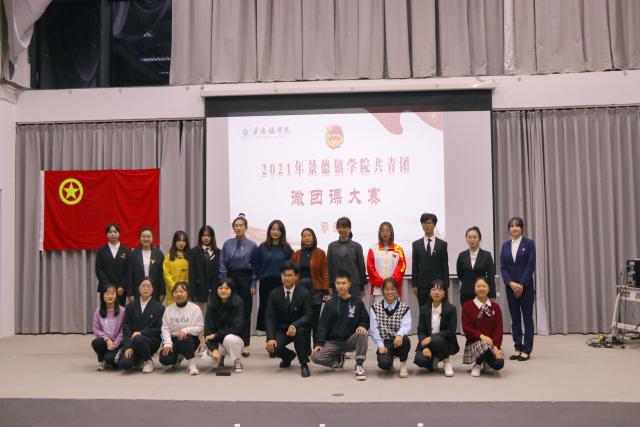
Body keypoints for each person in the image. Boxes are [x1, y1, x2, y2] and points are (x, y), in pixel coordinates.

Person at [311, 270, 370, 381]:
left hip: (350, 340)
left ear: (349, 284)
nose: (341, 286)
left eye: (344, 283)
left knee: (363, 333)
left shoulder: (357, 302)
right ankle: (337, 361)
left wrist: (362, 325)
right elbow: (322, 326)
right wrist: (319, 343)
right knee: (315, 356)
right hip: (333, 342)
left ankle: (359, 366)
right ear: (335, 284)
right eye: (338, 283)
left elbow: (365, 320)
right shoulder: (330, 304)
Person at [265, 261, 312, 377]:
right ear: (281, 276)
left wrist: (295, 325)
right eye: (284, 275)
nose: (287, 278)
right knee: (272, 348)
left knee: (301, 331)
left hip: (299, 328)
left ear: (296, 276)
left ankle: (304, 364)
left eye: (290, 275)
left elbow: (308, 315)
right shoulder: (274, 293)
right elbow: (269, 317)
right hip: (281, 329)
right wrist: (270, 338)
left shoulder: (304, 293)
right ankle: (288, 356)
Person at [219, 214, 258, 357]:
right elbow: (222, 263)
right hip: (230, 279)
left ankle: (245, 344)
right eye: (236, 226)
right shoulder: (227, 244)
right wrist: (224, 281)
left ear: (246, 227)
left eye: (241, 225)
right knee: (229, 310)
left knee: (246, 311)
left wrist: (253, 283)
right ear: (233, 228)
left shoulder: (252, 245)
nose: (238, 228)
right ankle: (229, 342)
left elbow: (255, 267)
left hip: (246, 279)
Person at [499, 216, 536, 361]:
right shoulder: (505, 245)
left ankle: (527, 349)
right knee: (515, 319)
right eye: (512, 226)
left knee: (527, 319)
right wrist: (510, 283)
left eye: (517, 225)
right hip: (510, 288)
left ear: (522, 228)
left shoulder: (529, 243)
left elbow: (530, 265)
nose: (514, 228)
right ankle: (518, 347)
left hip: (526, 287)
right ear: (509, 229)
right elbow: (503, 267)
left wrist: (520, 284)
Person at [253, 220, 294, 333]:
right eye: (273, 229)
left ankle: (279, 333)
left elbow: (291, 266)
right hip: (266, 282)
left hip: (282, 282)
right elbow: (256, 265)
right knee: (266, 307)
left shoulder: (287, 248)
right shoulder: (262, 247)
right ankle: (268, 333)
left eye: (278, 230)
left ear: (282, 232)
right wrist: (254, 281)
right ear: (269, 231)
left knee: (281, 307)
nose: (275, 232)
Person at [291, 228, 330, 346]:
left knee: (315, 320)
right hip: (300, 290)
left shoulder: (320, 253)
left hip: (315, 290)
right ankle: (305, 348)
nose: (307, 238)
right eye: (304, 236)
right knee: (303, 319)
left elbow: (324, 273)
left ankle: (317, 346)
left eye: (309, 235)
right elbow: (292, 271)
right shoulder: (297, 254)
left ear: (313, 238)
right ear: (302, 238)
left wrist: (325, 291)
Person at [413, 280, 459, 377]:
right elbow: (421, 330)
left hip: (445, 342)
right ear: (430, 293)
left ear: (444, 293)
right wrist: (425, 347)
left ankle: (447, 363)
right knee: (420, 360)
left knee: (437, 340)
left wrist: (431, 338)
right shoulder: (424, 309)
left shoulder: (451, 309)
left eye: (440, 290)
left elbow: (450, 331)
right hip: (428, 342)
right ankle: (435, 358)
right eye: (434, 290)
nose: (436, 293)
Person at [118, 278, 165, 373]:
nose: (146, 289)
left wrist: (141, 333)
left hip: (150, 341)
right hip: (132, 341)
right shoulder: (130, 306)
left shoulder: (159, 307)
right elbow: (126, 327)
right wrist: (128, 346)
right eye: (143, 286)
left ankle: (148, 360)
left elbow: (158, 329)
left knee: (138, 339)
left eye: (148, 286)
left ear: (153, 289)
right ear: (138, 288)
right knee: (124, 364)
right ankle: (140, 358)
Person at [461, 277, 504, 377]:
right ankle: (478, 364)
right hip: (474, 343)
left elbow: (498, 329)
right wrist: (481, 336)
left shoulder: (495, 307)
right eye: (478, 286)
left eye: (484, 286)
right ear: (474, 288)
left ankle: (486, 360)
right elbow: (466, 329)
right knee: (485, 345)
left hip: (491, 344)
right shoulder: (467, 306)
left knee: (499, 364)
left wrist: (496, 346)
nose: (481, 289)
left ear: (489, 288)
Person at [369, 278, 411, 378]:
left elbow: (406, 325)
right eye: (387, 289)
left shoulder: (404, 307)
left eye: (393, 289)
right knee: (384, 364)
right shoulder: (375, 307)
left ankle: (403, 365)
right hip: (385, 342)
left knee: (405, 340)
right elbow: (374, 329)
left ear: (397, 290)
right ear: (382, 290)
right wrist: (380, 345)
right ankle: (389, 361)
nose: (390, 292)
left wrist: (399, 335)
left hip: (398, 341)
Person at [159, 282, 204, 375]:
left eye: (181, 291)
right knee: (165, 359)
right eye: (175, 292)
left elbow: (200, 327)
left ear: (187, 293)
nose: (178, 294)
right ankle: (179, 357)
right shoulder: (168, 309)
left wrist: (186, 330)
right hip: (173, 340)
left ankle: (192, 365)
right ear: (172, 294)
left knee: (185, 338)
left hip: (190, 340)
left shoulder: (195, 308)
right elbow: (165, 328)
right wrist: (167, 343)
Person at [204, 279, 245, 374]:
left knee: (229, 339)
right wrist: (214, 349)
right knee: (209, 356)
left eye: (227, 288)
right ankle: (221, 357)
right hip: (218, 341)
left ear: (232, 290)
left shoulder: (238, 302)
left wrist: (216, 335)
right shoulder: (212, 304)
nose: (223, 290)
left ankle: (237, 361)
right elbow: (208, 330)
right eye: (220, 288)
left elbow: (236, 328)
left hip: (235, 339)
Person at [411, 213, 449, 307]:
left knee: (439, 310)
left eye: (429, 223)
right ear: (422, 225)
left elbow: (445, 265)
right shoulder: (416, 244)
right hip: (422, 286)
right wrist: (414, 284)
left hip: (438, 286)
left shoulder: (442, 244)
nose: (427, 225)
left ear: (434, 225)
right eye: (424, 223)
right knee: (423, 310)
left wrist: (446, 285)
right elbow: (414, 265)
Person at [367, 222, 406, 303]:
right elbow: (370, 268)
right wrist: (381, 283)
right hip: (378, 289)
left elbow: (401, 267)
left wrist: (391, 283)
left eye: (387, 231)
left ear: (391, 232)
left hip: (394, 289)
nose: (385, 233)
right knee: (379, 310)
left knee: (395, 310)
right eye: (383, 231)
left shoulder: (398, 249)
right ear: (379, 233)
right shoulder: (373, 249)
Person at [327, 217, 367, 298]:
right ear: (337, 229)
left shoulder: (357, 246)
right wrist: (330, 285)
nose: (342, 230)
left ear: (349, 229)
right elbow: (329, 267)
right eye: (339, 227)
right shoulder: (331, 246)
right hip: (337, 285)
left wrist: (361, 286)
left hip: (354, 286)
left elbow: (361, 268)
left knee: (354, 306)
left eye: (344, 227)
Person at [456, 226, 496, 307]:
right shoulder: (462, 255)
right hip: (466, 293)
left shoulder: (487, 255)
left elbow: (491, 276)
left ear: (479, 239)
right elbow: (460, 274)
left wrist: (492, 294)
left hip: (482, 292)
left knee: (483, 314)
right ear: (466, 239)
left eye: (474, 237)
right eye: (469, 237)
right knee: (467, 314)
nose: (472, 240)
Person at [91, 284, 125, 370]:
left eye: (113, 293)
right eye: (107, 293)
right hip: (106, 342)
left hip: (118, 343)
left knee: (111, 360)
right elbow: (96, 329)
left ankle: (108, 359)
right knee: (96, 342)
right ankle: (102, 361)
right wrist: (107, 340)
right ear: (103, 296)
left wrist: (115, 343)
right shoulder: (98, 311)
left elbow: (123, 330)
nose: (110, 296)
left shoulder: (122, 311)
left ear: (116, 296)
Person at [95, 223, 130, 306]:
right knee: (105, 311)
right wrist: (108, 287)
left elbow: (128, 270)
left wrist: (122, 286)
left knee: (120, 311)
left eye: (115, 232)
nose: (113, 234)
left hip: (120, 290)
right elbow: (98, 269)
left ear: (119, 234)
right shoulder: (101, 251)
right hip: (105, 289)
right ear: (106, 234)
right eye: (110, 232)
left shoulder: (126, 250)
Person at [129, 227, 165, 302]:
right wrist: (130, 293)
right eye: (144, 236)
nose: (146, 239)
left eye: (149, 237)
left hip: (155, 290)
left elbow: (162, 275)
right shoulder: (133, 254)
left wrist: (162, 292)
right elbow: (130, 275)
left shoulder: (159, 254)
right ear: (140, 238)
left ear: (152, 238)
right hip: (137, 290)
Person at [190, 225, 220, 310]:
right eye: (203, 236)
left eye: (208, 236)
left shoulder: (218, 252)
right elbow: (192, 273)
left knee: (212, 315)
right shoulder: (194, 251)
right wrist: (192, 293)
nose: (206, 238)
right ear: (200, 237)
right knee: (199, 315)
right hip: (199, 290)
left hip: (214, 290)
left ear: (212, 237)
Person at [163, 230, 190, 306]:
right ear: (174, 242)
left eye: (184, 241)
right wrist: (175, 288)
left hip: (187, 291)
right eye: (179, 240)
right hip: (173, 292)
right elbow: (166, 275)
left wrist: (186, 288)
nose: (181, 243)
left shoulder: (190, 256)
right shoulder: (168, 257)